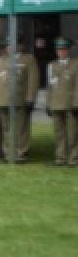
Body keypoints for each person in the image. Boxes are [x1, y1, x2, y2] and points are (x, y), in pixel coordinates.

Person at [0, 41, 38, 163]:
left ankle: (21, 153)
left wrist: (30, 98)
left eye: (14, 44)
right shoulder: (0, 60)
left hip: (20, 99)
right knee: (5, 128)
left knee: (21, 128)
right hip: (3, 99)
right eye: (8, 45)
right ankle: (7, 152)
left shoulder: (28, 59)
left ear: (20, 46)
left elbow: (33, 80)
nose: (10, 47)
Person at [46, 37, 76, 167]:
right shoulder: (52, 65)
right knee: (59, 133)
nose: (61, 52)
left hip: (71, 103)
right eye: (59, 50)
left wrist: (76, 103)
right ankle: (60, 158)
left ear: (68, 50)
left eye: (63, 49)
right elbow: (50, 86)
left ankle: (73, 159)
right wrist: (48, 103)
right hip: (56, 103)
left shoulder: (76, 64)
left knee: (73, 133)